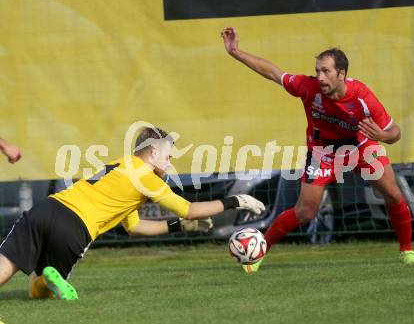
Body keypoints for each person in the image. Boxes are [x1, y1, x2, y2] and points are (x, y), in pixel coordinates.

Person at [221, 27, 414, 273]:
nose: (320, 77)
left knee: (393, 194)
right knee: (305, 211)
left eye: (326, 71)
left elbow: (395, 132)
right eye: (317, 71)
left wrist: (382, 136)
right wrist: (236, 52)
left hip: (360, 147)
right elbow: (273, 73)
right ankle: (258, 255)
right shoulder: (308, 87)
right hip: (322, 151)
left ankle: (407, 250)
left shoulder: (362, 97)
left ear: (342, 74)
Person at [0, 126, 265, 299]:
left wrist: (178, 226)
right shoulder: (147, 177)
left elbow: (135, 227)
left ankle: (46, 277)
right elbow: (190, 209)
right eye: (169, 156)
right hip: (74, 230)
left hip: (47, 208)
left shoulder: (119, 167)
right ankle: (48, 279)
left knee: (5, 266)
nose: (170, 162)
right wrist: (236, 201)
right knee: (40, 293)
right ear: (152, 152)